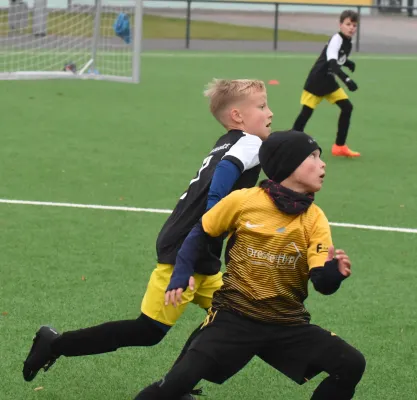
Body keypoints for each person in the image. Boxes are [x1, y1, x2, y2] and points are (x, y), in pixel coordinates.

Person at [22, 79, 274, 398]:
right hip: (187, 246)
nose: (270, 112)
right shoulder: (250, 143)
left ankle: (176, 384)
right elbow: (226, 174)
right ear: (237, 116)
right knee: (149, 330)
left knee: (232, 315)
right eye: (262, 106)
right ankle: (55, 344)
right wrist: (216, 215)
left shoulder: (230, 140)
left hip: (195, 247)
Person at [135, 130, 366, 400]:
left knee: (350, 364)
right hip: (234, 316)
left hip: (286, 323)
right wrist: (181, 273)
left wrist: (333, 274)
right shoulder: (244, 200)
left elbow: (322, 283)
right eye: (313, 157)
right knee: (178, 382)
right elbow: (201, 231)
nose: (322, 163)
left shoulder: (315, 218)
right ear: (288, 165)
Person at [293, 10, 360, 157]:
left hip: (329, 82)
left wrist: (348, 62)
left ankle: (339, 146)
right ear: (340, 24)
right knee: (306, 113)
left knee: (347, 107)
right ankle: (290, 144)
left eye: (354, 25)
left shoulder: (348, 41)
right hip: (317, 81)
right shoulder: (337, 38)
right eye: (348, 24)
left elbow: (337, 57)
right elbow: (332, 63)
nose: (351, 28)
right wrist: (347, 79)